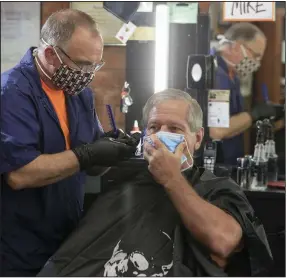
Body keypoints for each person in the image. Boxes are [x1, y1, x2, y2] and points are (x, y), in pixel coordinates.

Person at [37, 89, 273, 277]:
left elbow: (223, 241)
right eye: (154, 127)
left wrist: (172, 178)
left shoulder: (216, 187)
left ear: (198, 138)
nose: (161, 135)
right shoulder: (125, 183)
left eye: (174, 129)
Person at [0, 9, 139, 277]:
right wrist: (88, 154)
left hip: (66, 240)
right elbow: (19, 174)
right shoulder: (11, 94)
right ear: (51, 54)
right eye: (83, 65)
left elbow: (93, 165)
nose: (89, 74)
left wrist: (113, 149)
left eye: (95, 66)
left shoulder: (79, 94)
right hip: (18, 246)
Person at [210, 22, 284, 165]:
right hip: (217, 167)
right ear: (236, 46)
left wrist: (267, 117)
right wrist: (254, 114)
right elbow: (217, 130)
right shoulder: (216, 75)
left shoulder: (233, 76)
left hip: (231, 163)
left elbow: (233, 124)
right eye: (255, 56)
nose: (257, 63)